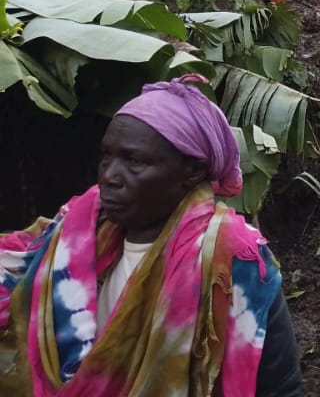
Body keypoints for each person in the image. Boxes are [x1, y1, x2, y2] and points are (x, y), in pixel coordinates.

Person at [0, 75, 302, 397]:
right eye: (107, 156)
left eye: (135, 161)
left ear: (192, 172)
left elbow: (280, 387)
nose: (110, 176)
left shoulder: (232, 258)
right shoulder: (75, 229)